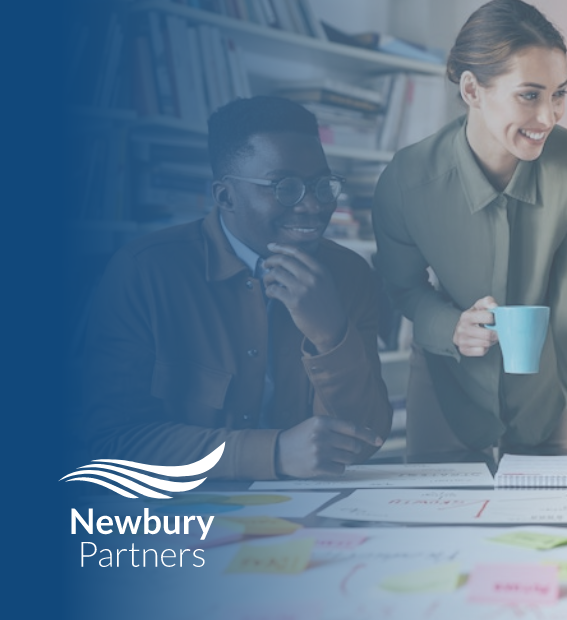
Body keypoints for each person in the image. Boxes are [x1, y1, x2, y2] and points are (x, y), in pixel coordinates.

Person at [80, 96, 393, 480]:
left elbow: (365, 438)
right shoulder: (144, 271)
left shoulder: (349, 274)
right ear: (225, 196)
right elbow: (111, 443)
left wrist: (331, 338)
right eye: (284, 186)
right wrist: (273, 454)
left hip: (307, 515)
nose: (313, 205)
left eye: (322, 185)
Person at [373, 0, 567, 455]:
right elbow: (400, 287)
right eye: (530, 95)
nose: (549, 116)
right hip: (448, 385)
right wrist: (450, 328)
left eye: (559, 93)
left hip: (549, 391)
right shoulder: (407, 179)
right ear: (471, 90)